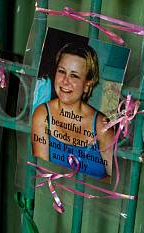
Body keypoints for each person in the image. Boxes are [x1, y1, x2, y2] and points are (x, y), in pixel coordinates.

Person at [32, 43, 114, 179]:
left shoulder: (102, 126)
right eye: (62, 71)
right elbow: (40, 172)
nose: (65, 81)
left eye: (74, 76)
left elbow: (114, 180)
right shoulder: (42, 115)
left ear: (88, 85)